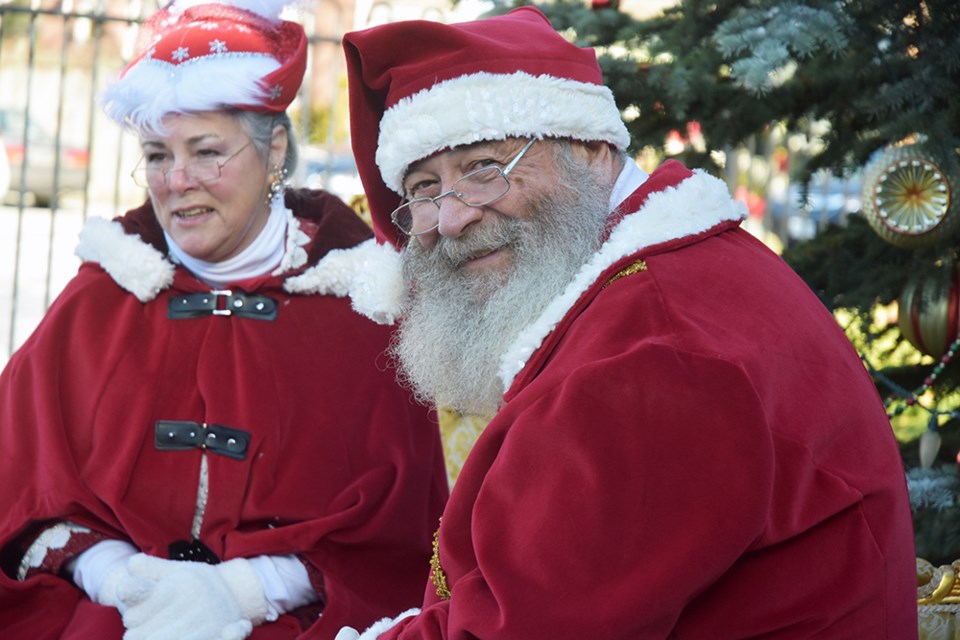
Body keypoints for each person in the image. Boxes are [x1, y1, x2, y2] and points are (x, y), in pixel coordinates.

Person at [324, 6, 919, 639]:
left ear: (592, 147)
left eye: (483, 168)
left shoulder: (655, 351)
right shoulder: (660, 282)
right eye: (423, 188)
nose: (451, 219)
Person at [0, 1, 448, 638]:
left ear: (273, 152)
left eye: (207, 151)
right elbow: (19, 487)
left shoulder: (365, 311)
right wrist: (116, 577)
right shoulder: (99, 297)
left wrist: (244, 590)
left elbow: (400, 531)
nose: (177, 180)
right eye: (157, 154)